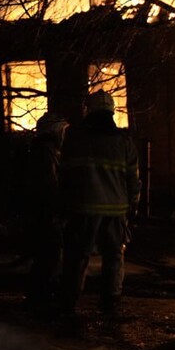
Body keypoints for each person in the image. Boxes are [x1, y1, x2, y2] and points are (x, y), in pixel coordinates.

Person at [59, 89, 141, 315]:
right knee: (114, 256)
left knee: (78, 255)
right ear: (111, 112)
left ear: (89, 110)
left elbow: (64, 176)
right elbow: (132, 178)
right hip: (116, 210)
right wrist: (133, 205)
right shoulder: (124, 141)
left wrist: (64, 206)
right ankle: (111, 302)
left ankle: (69, 300)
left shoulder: (74, 138)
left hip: (82, 208)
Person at [24, 111, 68, 312]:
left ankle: (40, 296)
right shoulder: (46, 152)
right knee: (49, 254)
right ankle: (41, 299)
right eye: (63, 130)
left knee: (47, 255)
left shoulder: (44, 150)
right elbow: (49, 186)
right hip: (46, 213)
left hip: (43, 212)